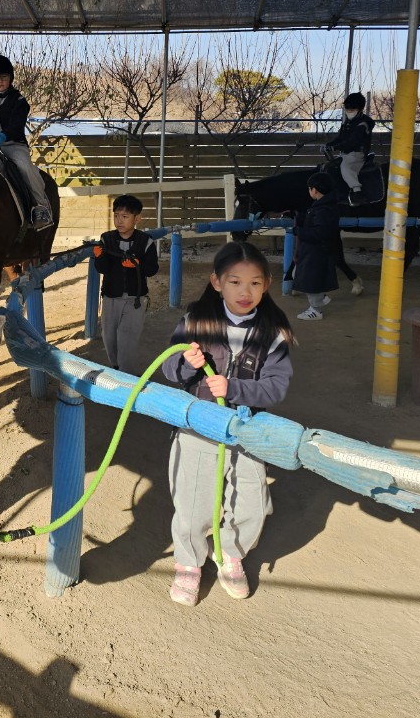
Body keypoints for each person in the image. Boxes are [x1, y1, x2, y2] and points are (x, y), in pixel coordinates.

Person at [160, 241, 294, 605]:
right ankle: (189, 562)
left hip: (247, 426)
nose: (244, 292)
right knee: (193, 498)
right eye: (235, 282)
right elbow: (169, 368)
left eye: (254, 283)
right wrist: (186, 363)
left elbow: (276, 386)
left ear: (266, 284)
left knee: (252, 498)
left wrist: (235, 388)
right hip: (199, 423)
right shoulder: (195, 320)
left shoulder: (274, 332)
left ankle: (230, 553)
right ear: (217, 282)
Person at [0, 53, 55, 229]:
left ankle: (40, 206)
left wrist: (4, 135)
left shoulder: (19, 101)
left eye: (4, 77)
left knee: (25, 167)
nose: (0, 81)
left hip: (13, 145)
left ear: (11, 78)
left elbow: (16, 125)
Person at [91, 194, 159, 373]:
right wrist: (99, 257)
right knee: (109, 337)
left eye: (125, 216)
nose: (119, 220)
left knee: (127, 338)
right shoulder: (106, 239)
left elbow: (152, 269)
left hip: (135, 300)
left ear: (137, 219)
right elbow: (103, 268)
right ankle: (116, 368)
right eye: (116, 216)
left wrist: (137, 265)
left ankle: (126, 375)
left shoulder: (146, 241)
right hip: (110, 297)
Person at [293, 172, 340, 321]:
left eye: (309, 188)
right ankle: (321, 298)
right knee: (302, 276)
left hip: (316, 252)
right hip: (314, 251)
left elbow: (320, 232)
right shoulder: (323, 206)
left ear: (315, 190)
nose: (309, 191)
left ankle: (315, 310)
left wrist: (299, 231)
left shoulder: (323, 209)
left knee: (310, 280)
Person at [326, 91, 376, 205]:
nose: (349, 112)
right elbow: (340, 137)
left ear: (360, 110)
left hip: (356, 153)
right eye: (347, 110)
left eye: (352, 110)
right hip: (345, 153)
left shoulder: (363, 124)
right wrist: (329, 144)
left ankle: (357, 192)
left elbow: (353, 141)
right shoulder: (347, 122)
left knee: (346, 167)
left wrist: (335, 147)